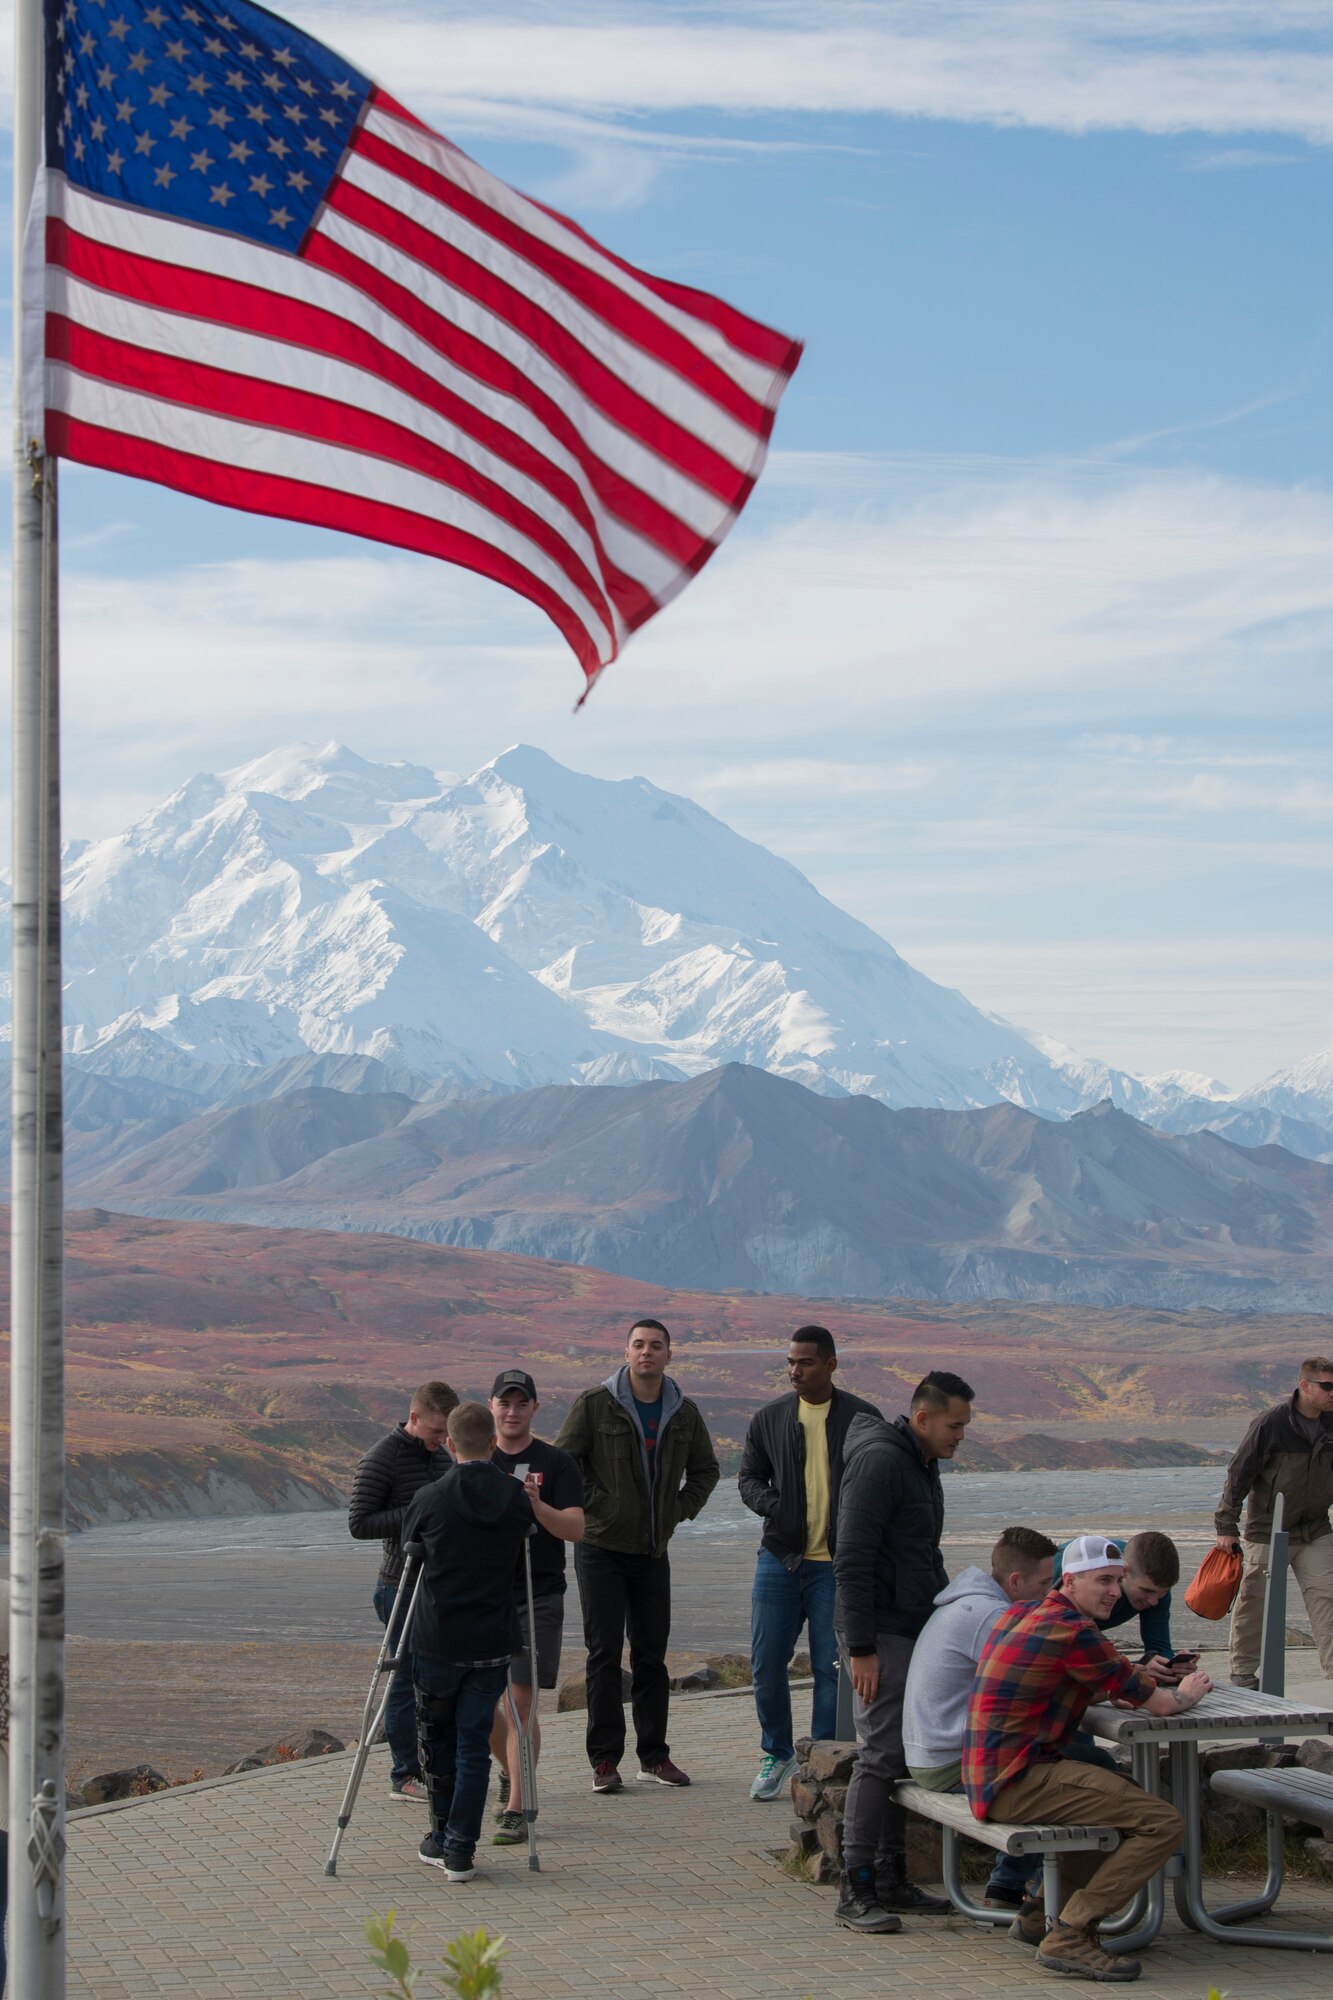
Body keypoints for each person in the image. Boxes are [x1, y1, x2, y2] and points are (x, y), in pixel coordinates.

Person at [964, 1533, 1212, 1982]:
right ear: (1071, 1580)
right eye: (1103, 1581)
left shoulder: (1025, 1613)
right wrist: (1188, 1692)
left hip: (991, 1774)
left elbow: (1089, 1681)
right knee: (1163, 1822)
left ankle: (1040, 1915)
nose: (1114, 1593)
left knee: (1128, 1800)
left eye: (1118, 1581)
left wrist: (1126, 1681)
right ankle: (1073, 1931)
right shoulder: (1077, 1631)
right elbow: (1163, 1706)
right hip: (1015, 1780)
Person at [832, 1368, 975, 1933]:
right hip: (880, 1632)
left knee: (900, 1750)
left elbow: (920, 1551)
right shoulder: (882, 1462)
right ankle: (856, 1884)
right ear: (922, 1417)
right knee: (882, 1752)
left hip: (910, 1626)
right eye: (954, 1425)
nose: (960, 1435)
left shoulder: (920, 1463)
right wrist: (862, 1646)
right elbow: (852, 1555)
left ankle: (890, 1877)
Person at [556, 1318, 720, 1792]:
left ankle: (655, 1756)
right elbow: (564, 1465)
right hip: (600, 1547)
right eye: (638, 1345)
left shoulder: (684, 1413)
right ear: (625, 1352)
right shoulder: (594, 1405)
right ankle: (605, 1761)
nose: (646, 1352)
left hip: (652, 1550)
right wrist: (596, 1507)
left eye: (656, 1346)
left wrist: (678, 1510)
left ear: (670, 1354)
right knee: (604, 1654)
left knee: (651, 1657)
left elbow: (705, 1470)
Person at [739, 1324, 882, 1801]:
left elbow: (882, 1481)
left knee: (830, 1667)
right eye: (790, 1362)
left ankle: (819, 1759)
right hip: (781, 1557)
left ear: (831, 1364)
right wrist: (774, 1506)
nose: (794, 1371)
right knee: (765, 1662)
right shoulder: (770, 1418)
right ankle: (775, 1752)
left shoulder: (863, 1418)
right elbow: (748, 1478)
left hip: (837, 1566)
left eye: (805, 1362)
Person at [402, 1400, 535, 1883]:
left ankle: (443, 1839)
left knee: (436, 1739)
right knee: (474, 1744)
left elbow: (407, 1553)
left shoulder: (431, 1496)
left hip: (438, 1638)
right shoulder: (514, 1496)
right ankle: (460, 1847)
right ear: (493, 1442)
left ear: (452, 1444)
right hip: (493, 1640)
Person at [903, 1525, 1059, 1914]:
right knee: (1078, 1772)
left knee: (1060, 1757)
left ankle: (1014, 1888)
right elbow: (1041, 1684)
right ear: (1016, 1580)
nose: (1049, 1592)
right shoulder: (991, 1616)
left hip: (932, 1751)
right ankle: (1043, 1899)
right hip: (949, 1760)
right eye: (1044, 1583)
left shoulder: (969, 1604)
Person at [486, 1368, 585, 1845]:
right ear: (491, 1407)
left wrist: (536, 1506)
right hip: (484, 1596)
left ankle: (517, 1806)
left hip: (537, 1592)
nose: (512, 1411)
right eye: (504, 1403)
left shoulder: (557, 1463)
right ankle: (511, 1770)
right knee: (485, 1701)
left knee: (522, 1699)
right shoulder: (476, 1459)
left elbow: (575, 1529)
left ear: (534, 1409)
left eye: (520, 1403)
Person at [348, 1379, 457, 1801]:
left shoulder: (441, 1456)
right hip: (399, 1586)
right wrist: (417, 1512)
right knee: (404, 1679)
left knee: (430, 1677)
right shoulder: (382, 1458)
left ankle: (430, 1766)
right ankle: (404, 1774)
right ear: (414, 1418)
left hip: (437, 1585)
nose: (440, 1441)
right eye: (434, 1432)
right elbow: (359, 1523)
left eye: (446, 1434)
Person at [1215, 1355, 1333, 1685]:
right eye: (1327, 1386)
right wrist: (1226, 1525)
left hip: (1315, 1527)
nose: (1332, 1393)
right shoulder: (1272, 1424)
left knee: (1328, 1596)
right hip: (1268, 1529)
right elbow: (1239, 1474)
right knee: (1256, 1600)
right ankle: (1243, 1673)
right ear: (1305, 1386)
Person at [1052, 1530, 1183, 1673]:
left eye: (1163, 1592)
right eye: (1146, 1591)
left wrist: (1171, 1667)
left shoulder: (1155, 1588)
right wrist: (1135, 1671)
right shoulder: (1063, 1574)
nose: (1154, 1602)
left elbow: (1158, 1649)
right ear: (1124, 1571)